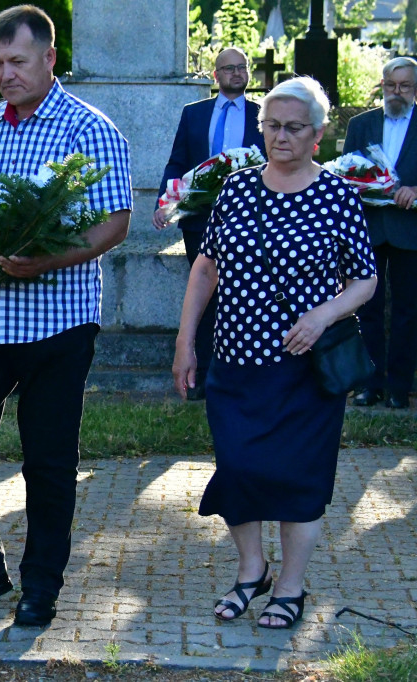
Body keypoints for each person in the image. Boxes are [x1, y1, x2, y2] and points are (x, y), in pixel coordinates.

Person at [0, 5, 132, 627]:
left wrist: (48, 260)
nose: (6, 73)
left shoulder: (88, 129)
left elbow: (114, 223)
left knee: (47, 459)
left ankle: (41, 584)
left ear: (49, 58)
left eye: (18, 61)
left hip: (56, 323)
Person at [172, 77, 377, 629]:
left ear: (318, 133)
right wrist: (186, 340)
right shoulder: (235, 190)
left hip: (305, 370)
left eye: (292, 127)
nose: (279, 136)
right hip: (235, 362)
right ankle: (251, 569)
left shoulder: (337, 196)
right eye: (271, 126)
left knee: (297, 478)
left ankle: (291, 585)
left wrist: (322, 315)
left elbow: (365, 280)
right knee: (237, 471)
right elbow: (206, 267)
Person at [152, 47, 266, 400]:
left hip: (249, 223)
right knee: (204, 296)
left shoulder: (261, 115)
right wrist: (165, 202)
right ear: (215, 75)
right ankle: (200, 376)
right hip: (200, 221)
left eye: (241, 68)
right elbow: (177, 163)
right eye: (229, 68)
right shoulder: (194, 114)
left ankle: (237, 372)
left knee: (241, 296)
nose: (236, 73)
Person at [343, 56, 417, 409]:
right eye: (391, 85)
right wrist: (357, 186)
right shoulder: (361, 124)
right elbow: (344, 173)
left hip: (410, 230)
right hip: (368, 228)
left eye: (404, 85)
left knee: (408, 310)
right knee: (366, 309)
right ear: (382, 85)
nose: (397, 92)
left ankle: (400, 387)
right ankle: (369, 384)